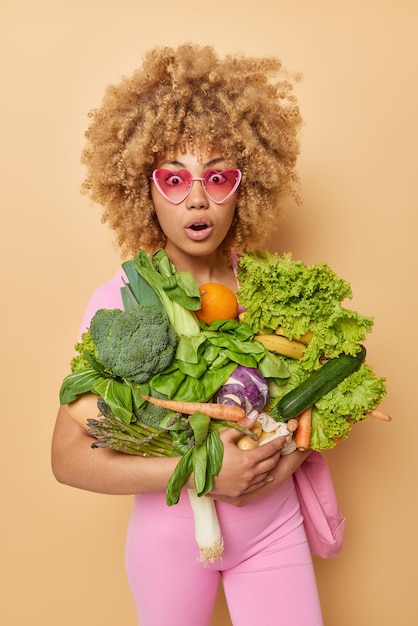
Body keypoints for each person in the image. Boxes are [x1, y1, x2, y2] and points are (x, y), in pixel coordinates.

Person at [51, 43, 324, 625]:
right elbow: (67, 459)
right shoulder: (122, 302)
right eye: (173, 178)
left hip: (275, 526)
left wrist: (285, 461)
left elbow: (312, 409)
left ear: (244, 186)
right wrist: (200, 471)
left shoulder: (272, 290)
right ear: (142, 189)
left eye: (218, 177)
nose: (197, 197)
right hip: (171, 535)